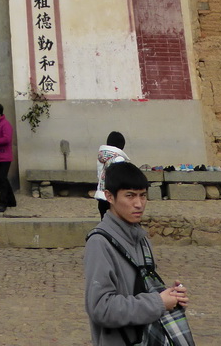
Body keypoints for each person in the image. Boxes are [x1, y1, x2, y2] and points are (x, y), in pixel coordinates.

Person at [84, 161, 189, 346]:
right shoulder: (99, 243)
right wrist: (158, 302)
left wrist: (170, 296)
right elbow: (101, 308)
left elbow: (141, 289)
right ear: (109, 196)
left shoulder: (141, 239)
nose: (139, 204)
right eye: (130, 196)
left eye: (143, 196)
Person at [94, 131, 130, 219]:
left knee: (104, 222)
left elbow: (100, 174)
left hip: (102, 194)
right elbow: (120, 178)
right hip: (113, 196)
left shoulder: (102, 157)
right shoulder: (118, 159)